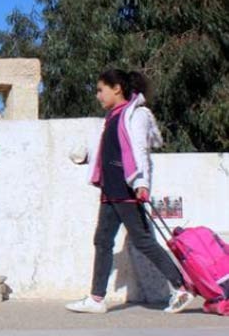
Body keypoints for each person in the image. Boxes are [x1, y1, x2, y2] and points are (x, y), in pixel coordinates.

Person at [66, 69, 193, 314]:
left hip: (126, 189)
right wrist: (87, 157)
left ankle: (181, 287)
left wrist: (141, 183)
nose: (97, 95)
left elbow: (139, 149)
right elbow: (111, 151)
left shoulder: (136, 114)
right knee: (102, 241)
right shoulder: (111, 118)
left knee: (143, 241)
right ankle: (96, 298)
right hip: (109, 189)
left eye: (100, 90)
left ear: (117, 88)